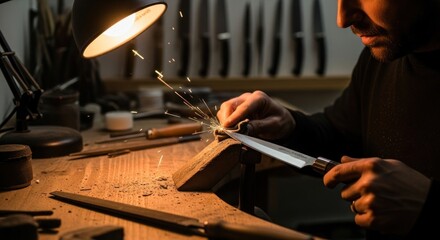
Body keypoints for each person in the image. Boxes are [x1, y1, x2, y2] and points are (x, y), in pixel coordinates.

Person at [216, 0, 440, 239]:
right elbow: (340, 136)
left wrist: (428, 207)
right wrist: (289, 127)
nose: (342, 20)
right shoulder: (382, 58)